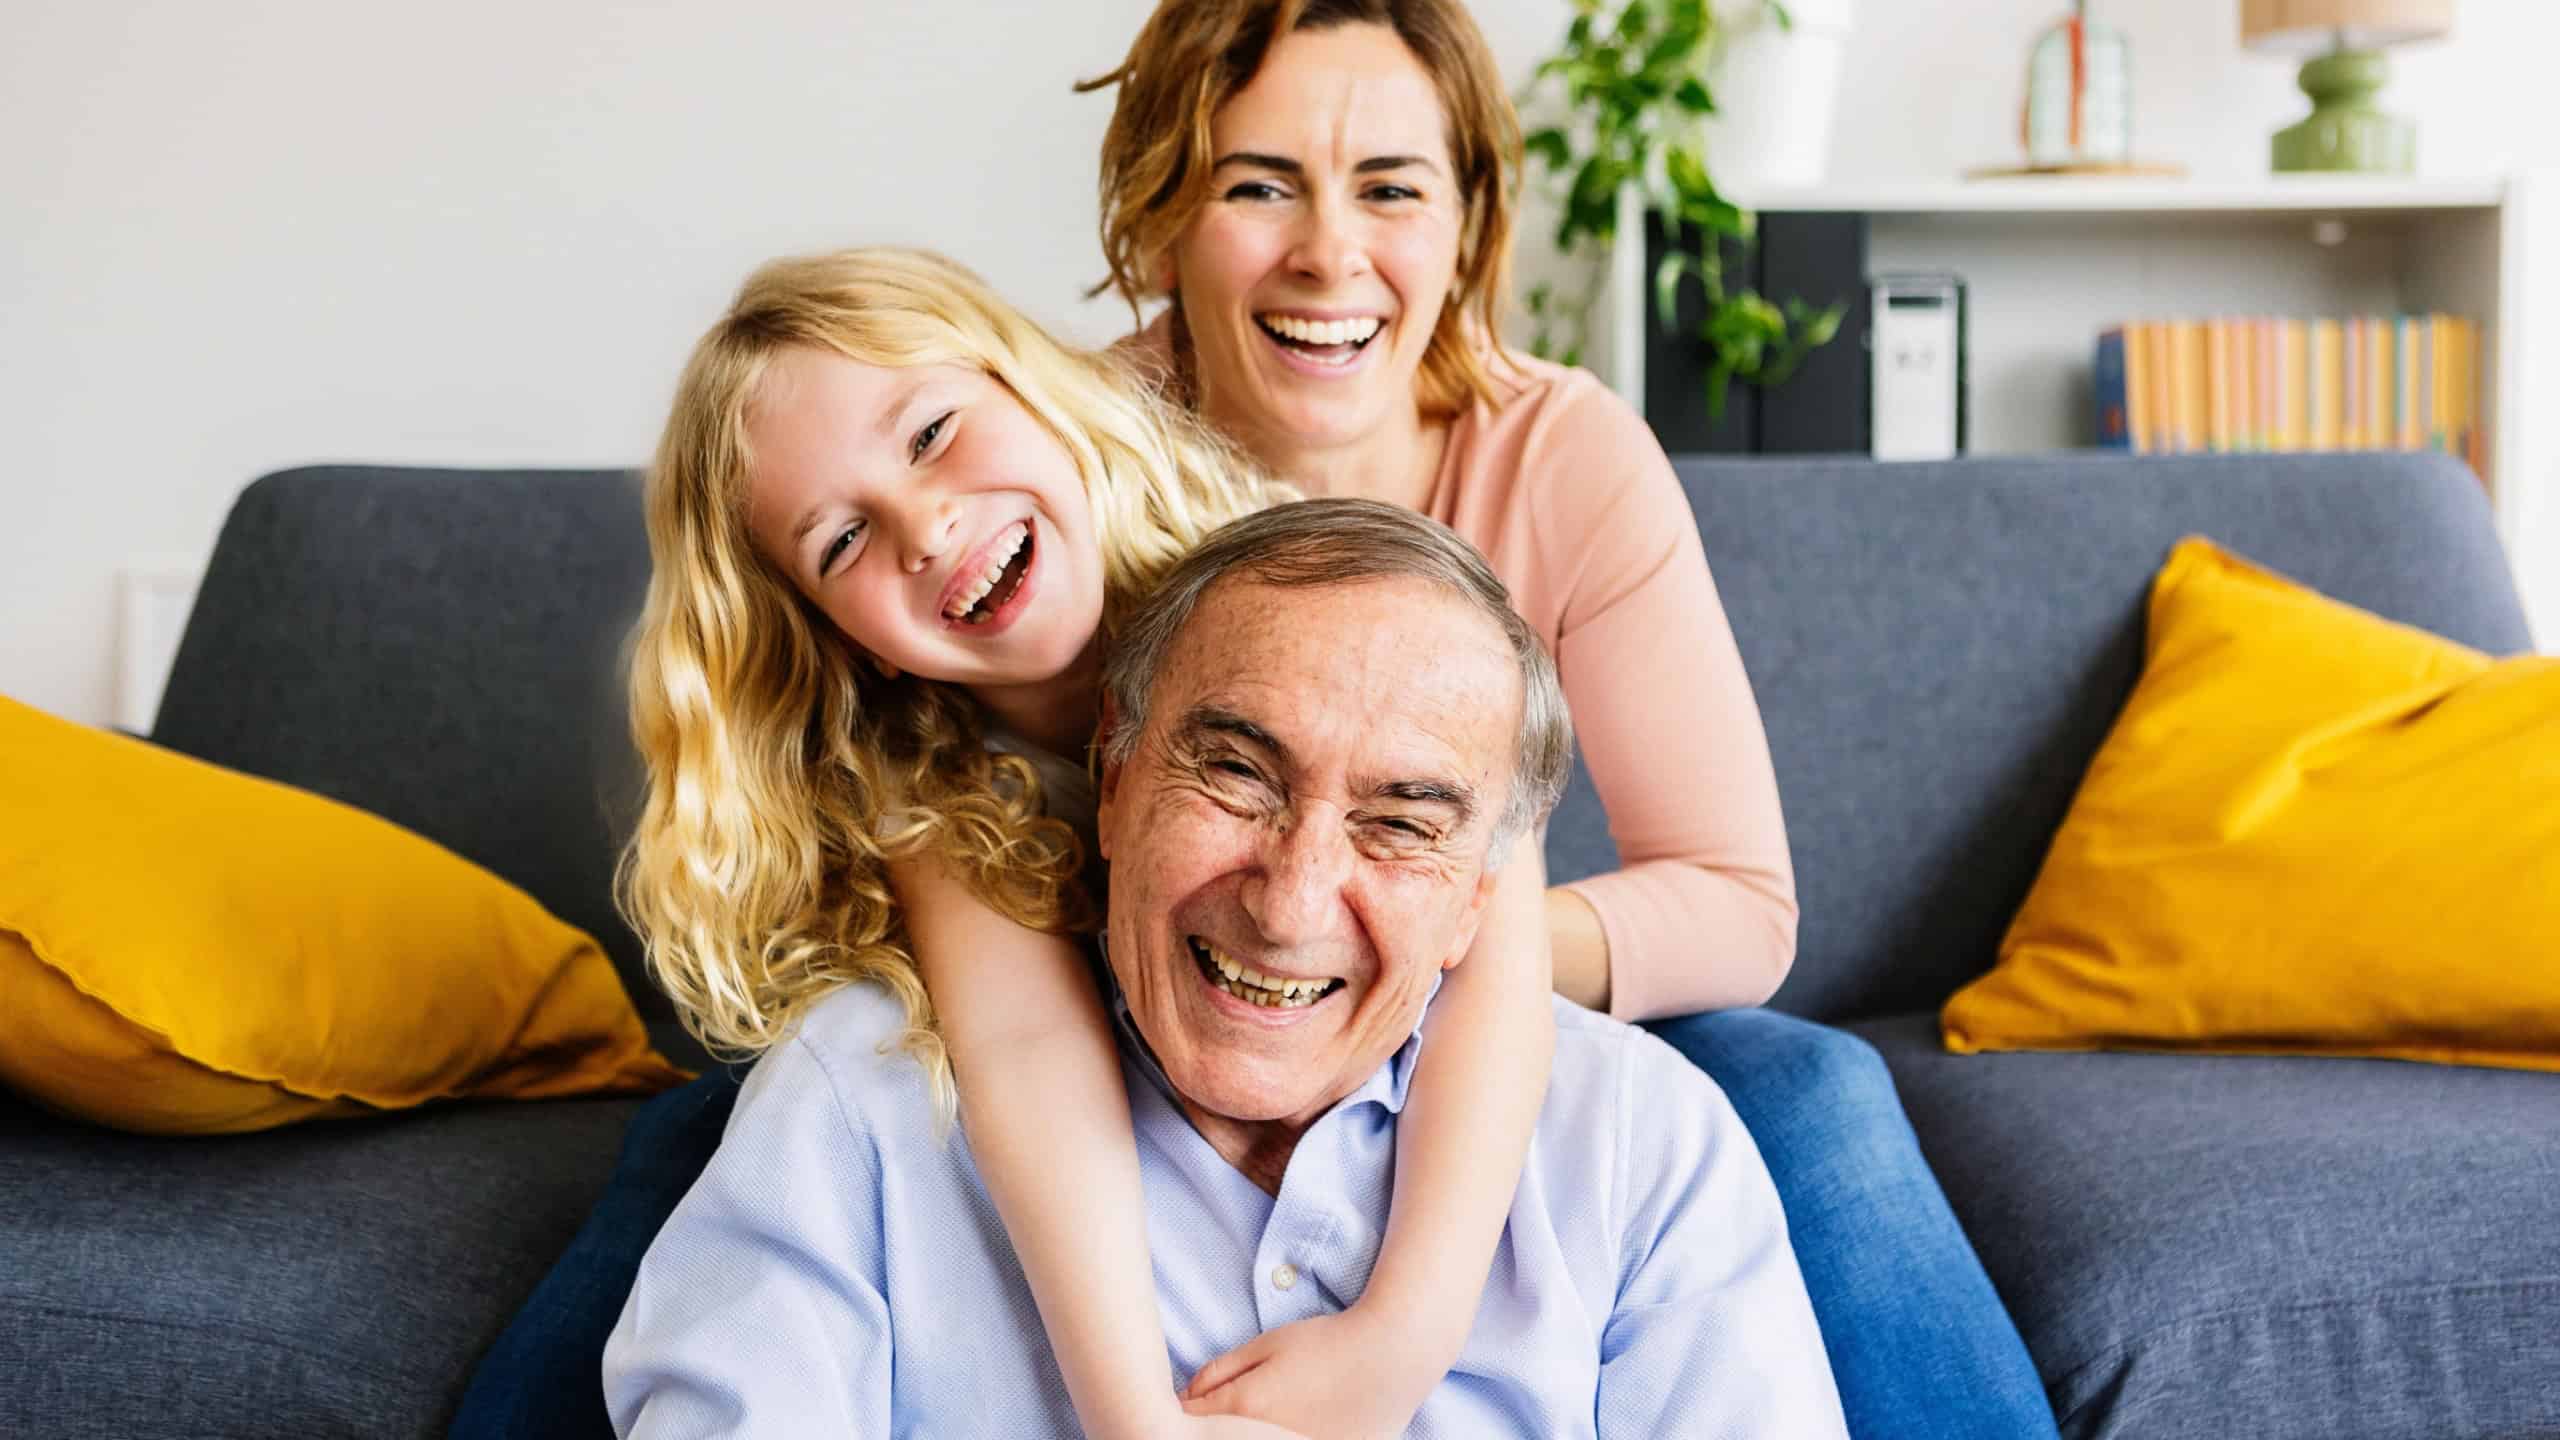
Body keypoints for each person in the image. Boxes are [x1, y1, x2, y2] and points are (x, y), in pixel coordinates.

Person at [1079, 2, 2059, 1434]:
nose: (1329, 254)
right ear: (1162, 214)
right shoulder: (1064, 460)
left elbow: (1737, 900)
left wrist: (1449, 939)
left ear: (1472, 229)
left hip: (1440, 969)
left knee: (1812, 1091)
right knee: (740, 1109)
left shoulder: (1561, 454)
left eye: (1393, 188)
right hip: (1177, 985)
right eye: (1257, 182)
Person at [602, 496, 1852, 1438]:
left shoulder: (1642, 1148)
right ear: (1114, 772)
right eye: (1238, 774)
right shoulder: (858, 1109)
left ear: (1481, 902)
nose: (1292, 898)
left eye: (1401, 823)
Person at [609, 244, 1555, 1440]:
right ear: (849, 642)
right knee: (687, 1177)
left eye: (930, 434)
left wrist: (1403, 1334)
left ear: (1035, 390)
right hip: (1009, 1085)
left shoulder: (1290, 568)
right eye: (840, 542)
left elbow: (1500, 937)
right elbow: (1023, 1051)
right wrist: (1137, 1423)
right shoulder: (924, 778)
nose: (925, 525)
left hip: (1311, 1013)